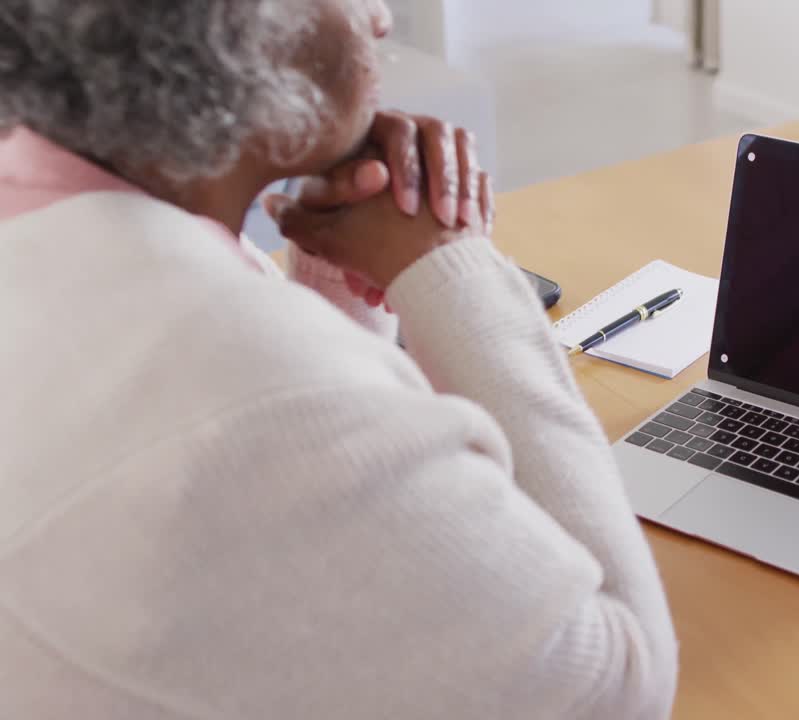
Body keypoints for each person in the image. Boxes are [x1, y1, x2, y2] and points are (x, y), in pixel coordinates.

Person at [0, 2, 677, 719]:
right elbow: (613, 685)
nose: (379, 17)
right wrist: (449, 263)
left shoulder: (62, 226)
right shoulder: (243, 377)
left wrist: (333, 262)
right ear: (233, 30)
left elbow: (299, 494)